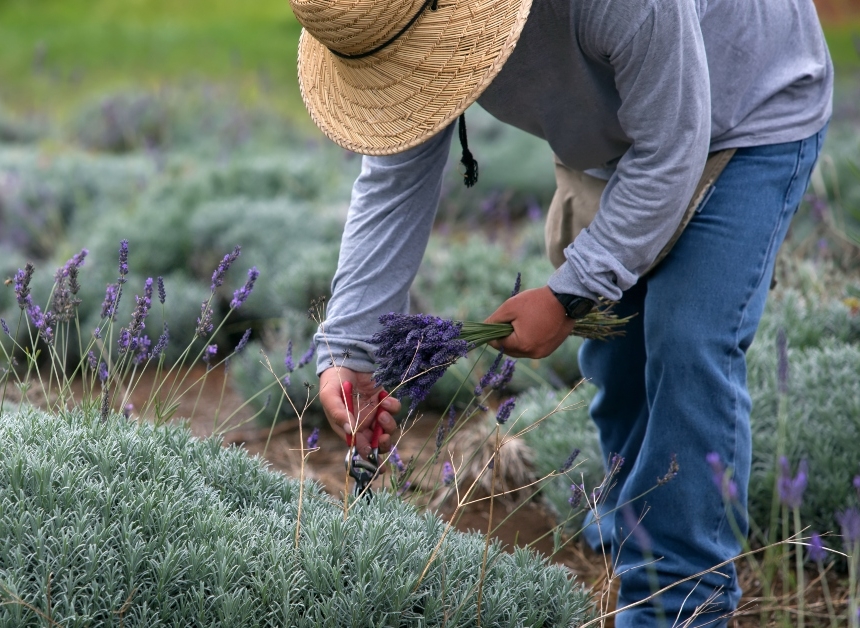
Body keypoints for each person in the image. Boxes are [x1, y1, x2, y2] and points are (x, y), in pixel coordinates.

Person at [289, 0, 833, 625]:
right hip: (615, 133)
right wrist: (350, 350)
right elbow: (394, 178)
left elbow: (673, 146)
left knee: (687, 344)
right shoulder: (397, 18)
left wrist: (569, 295)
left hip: (748, 111)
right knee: (622, 356)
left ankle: (680, 601)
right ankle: (639, 530)